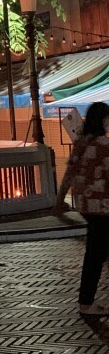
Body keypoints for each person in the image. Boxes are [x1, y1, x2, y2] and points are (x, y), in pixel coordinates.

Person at [55, 101, 109, 315]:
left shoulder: (80, 143)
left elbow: (69, 172)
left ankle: (86, 301)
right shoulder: (103, 145)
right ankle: (86, 303)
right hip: (103, 206)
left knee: (97, 251)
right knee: (95, 254)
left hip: (85, 205)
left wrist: (60, 199)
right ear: (102, 120)